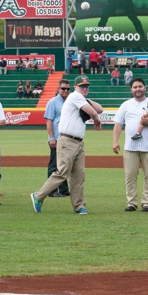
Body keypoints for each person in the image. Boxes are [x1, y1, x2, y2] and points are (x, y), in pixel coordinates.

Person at [30, 75, 103, 215]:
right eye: (82, 86)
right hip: (68, 140)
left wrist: (87, 99)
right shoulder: (74, 96)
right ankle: (38, 196)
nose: (85, 88)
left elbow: (99, 109)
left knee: (79, 176)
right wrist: (96, 119)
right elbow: (94, 112)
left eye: (87, 86)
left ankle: (79, 206)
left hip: (79, 142)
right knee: (62, 172)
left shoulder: (80, 98)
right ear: (75, 87)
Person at [113, 78, 148, 212]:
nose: (138, 89)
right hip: (130, 146)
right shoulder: (126, 104)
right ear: (131, 89)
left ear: (144, 88)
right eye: (135, 87)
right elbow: (118, 123)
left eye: (140, 86)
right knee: (130, 175)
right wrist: (115, 141)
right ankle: (132, 203)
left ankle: (147, 203)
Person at [44, 79, 71, 197]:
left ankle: (64, 190)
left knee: (64, 165)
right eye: (63, 88)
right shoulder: (53, 102)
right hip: (56, 137)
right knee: (54, 165)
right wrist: (51, 138)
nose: (65, 91)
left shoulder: (70, 102)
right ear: (58, 89)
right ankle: (52, 190)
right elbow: (49, 121)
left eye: (68, 89)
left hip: (67, 138)